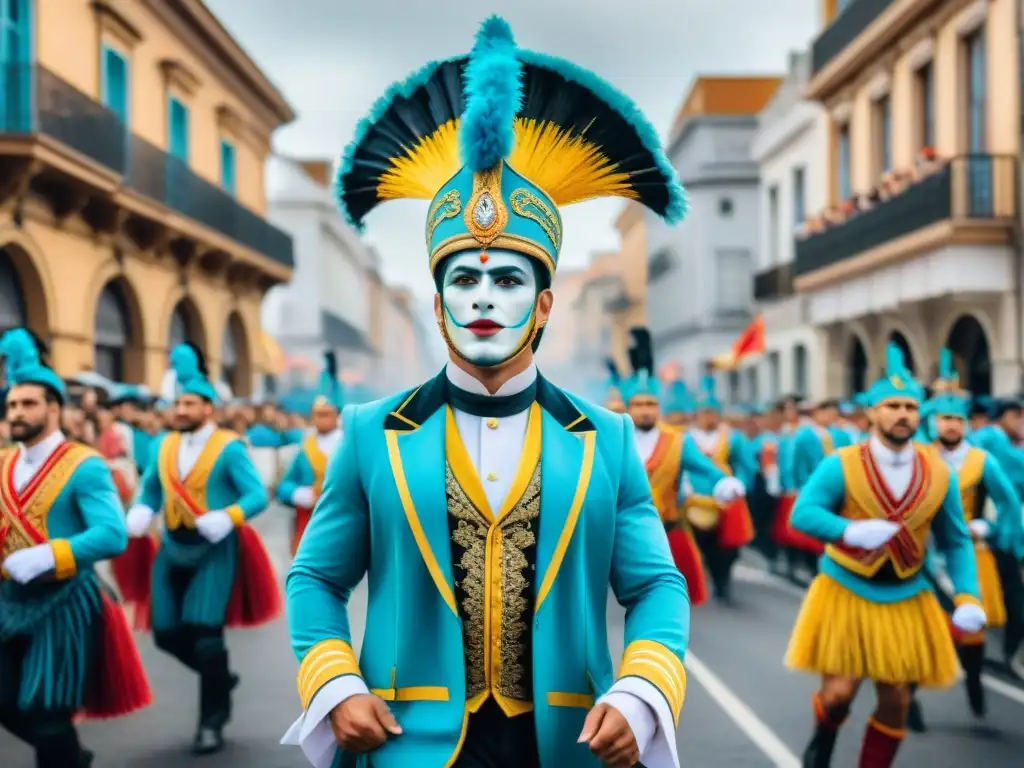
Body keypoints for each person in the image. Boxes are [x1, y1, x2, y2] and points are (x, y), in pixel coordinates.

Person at [282, 16, 690, 768]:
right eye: (463, 280)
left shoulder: (606, 439)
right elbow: (315, 577)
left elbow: (656, 585)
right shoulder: (371, 432)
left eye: (507, 279)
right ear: (439, 306)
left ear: (543, 303)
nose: (483, 298)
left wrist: (643, 691)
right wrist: (335, 685)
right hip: (404, 742)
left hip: (567, 745)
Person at [785, 343, 985, 768]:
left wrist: (968, 595)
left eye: (910, 407)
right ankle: (823, 736)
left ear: (921, 414)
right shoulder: (842, 463)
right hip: (846, 588)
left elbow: (955, 540)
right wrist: (847, 530)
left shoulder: (939, 472)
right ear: (872, 413)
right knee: (839, 695)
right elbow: (803, 513)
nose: (902, 414)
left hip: (905, 595)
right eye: (892, 406)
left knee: (896, 702)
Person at [0, 328, 151, 768]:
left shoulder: (84, 464)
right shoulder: (3, 462)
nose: (17, 412)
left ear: (54, 408)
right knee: (6, 703)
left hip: (64, 602)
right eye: (12, 404)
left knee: (48, 717)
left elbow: (112, 533)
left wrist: (50, 554)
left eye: (28, 403)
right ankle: (72, 757)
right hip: (8, 600)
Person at [125, 342, 279, 755]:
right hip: (171, 545)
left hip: (214, 547)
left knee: (207, 637)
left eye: (190, 404)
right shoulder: (162, 446)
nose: (181, 410)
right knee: (165, 632)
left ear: (208, 408)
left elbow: (256, 494)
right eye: (178, 403)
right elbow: (150, 489)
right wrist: (141, 509)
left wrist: (228, 516)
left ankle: (212, 721)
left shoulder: (229, 447)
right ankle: (220, 678)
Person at [907, 349, 1024, 730]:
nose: (952, 425)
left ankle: (975, 686)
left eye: (958, 419)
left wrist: (989, 528)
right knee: (928, 631)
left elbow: (1009, 503)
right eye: (945, 418)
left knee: (971, 633)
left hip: (969, 556)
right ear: (932, 421)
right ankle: (908, 698)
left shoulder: (981, 460)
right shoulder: (919, 457)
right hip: (924, 558)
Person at [620, 327, 744, 609]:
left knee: (669, 598)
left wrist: (724, 482)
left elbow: (706, 468)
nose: (645, 410)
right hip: (626, 535)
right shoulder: (615, 439)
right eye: (638, 404)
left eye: (651, 404)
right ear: (629, 408)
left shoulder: (677, 442)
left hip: (668, 530)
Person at [683, 374, 756, 603]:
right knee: (696, 545)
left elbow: (746, 466)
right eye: (705, 413)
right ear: (696, 415)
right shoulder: (684, 439)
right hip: (693, 499)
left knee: (727, 547)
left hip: (725, 500)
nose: (709, 418)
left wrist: (739, 485)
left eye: (713, 413)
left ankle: (722, 582)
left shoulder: (733, 439)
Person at [277, 351, 344, 555]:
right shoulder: (305, 447)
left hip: (342, 524)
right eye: (316, 415)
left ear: (337, 415)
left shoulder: (348, 446)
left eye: (325, 415)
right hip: (308, 524)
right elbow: (283, 487)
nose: (320, 420)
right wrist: (299, 494)